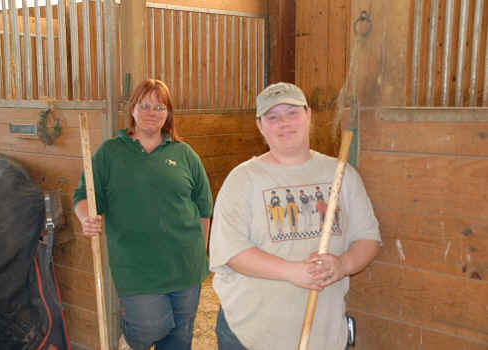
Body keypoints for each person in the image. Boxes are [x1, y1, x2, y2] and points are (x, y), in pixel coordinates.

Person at [209, 82, 381, 350]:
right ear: (260, 126)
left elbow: (368, 238)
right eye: (273, 117)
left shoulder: (341, 174)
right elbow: (231, 252)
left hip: (321, 335)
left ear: (308, 115)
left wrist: (343, 265)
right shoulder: (243, 179)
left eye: (292, 113)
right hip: (250, 333)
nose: (284, 123)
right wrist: (292, 272)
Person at [72, 79, 213, 350]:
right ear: (132, 110)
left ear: (168, 114)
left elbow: (203, 207)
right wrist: (85, 218)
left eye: (160, 107)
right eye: (145, 105)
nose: (152, 112)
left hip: (185, 264)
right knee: (151, 327)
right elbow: (83, 197)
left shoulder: (184, 154)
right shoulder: (111, 153)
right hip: (136, 265)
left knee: (180, 337)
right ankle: (131, 342)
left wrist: (200, 252)